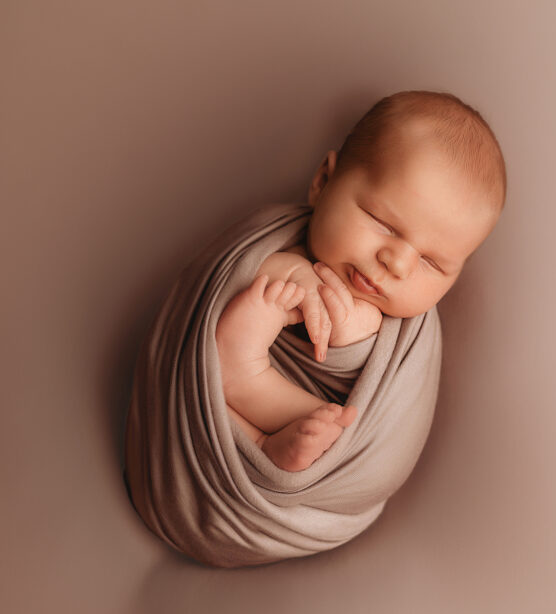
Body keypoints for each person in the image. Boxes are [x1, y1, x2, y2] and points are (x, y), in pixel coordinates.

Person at [216, 90, 506, 473]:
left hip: (316, 464)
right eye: (384, 224)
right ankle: (247, 413)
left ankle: (264, 440)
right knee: (256, 302)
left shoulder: (408, 346)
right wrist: (290, 275)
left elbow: (387, 445)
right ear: (323, 181)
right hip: (208, 413)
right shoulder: (274, 238)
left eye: (432, 263)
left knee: (338, 428)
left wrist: (354, 333)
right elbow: (224, 278)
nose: (398, 264)